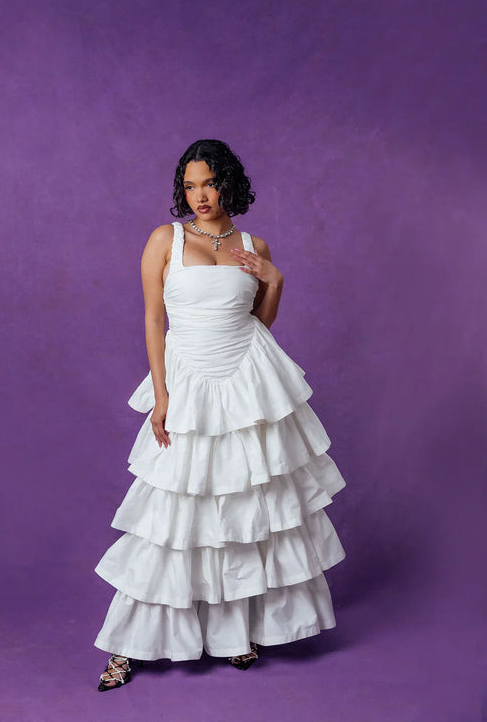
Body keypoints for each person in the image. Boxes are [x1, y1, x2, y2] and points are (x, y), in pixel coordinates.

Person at [93, 139, 346, 691]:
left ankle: (236, 633)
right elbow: (153, 321)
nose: (200, 196)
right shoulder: (165, 239)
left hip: (247, 380)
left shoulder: (254, 245)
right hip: (188, 377)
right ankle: (129, 646)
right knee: (174, 516)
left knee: (244, 509)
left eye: (209, 183)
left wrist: (275, 279)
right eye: (190, 186)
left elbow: (259, 321)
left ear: (228, 184)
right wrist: (161, 395)